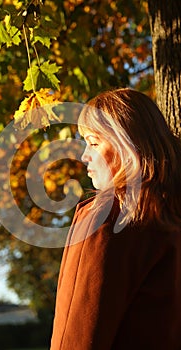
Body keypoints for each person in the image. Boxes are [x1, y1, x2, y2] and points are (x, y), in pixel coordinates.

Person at [50, 88, 181, 350]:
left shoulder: (106, 217)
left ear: (127, 144)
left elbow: (76, 339)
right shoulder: (170, 218)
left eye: (94, 142)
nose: (85, 155)